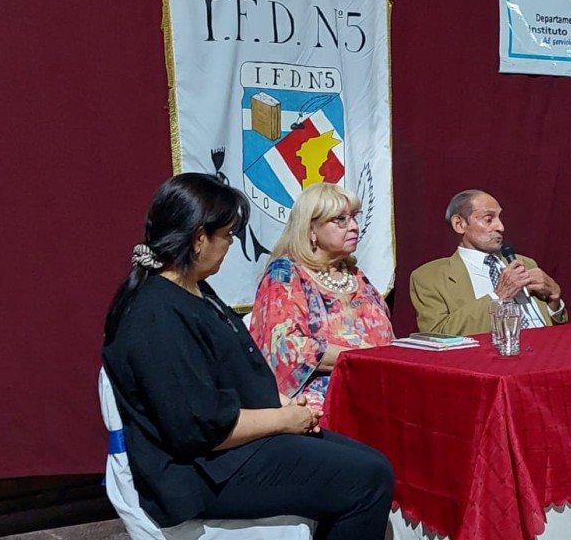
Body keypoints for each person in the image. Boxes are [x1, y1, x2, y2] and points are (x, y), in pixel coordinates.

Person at [102, 173, 393, 539]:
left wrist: (285, 403)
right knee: (367, 481)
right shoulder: (157, 314)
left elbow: (232, 372)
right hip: (200, 472)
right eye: (225, 236)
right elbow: (200, 428)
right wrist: (283, 420)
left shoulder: (194, 290)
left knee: (372, 463)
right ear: (198, 239)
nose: (228, 246)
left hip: (229, 449)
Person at [250, 182, 393, 412]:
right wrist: (363, 358)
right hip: (320, 402)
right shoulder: (286, 272)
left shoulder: (355, 275)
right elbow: (287, 348)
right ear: (311, 230)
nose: (354, 226)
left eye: (354, 217)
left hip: (377, 388)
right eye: (341, 220)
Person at [409, 189, 567, 336]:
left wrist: (554, 299)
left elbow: (554, 327)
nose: (501, 227)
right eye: (489, 219)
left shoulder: (525, 263)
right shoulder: (429, 277)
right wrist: (498, 297)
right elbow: (438, 334)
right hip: (488, 360)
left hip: (546, 353)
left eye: (500, 218)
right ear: (459, 224)